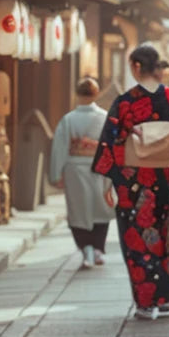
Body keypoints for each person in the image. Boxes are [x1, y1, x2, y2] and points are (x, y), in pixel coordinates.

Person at [93, 45, 169, 320]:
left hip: (134, 182)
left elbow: (112, 142)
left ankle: (145, 301)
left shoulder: (125, 102)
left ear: (137, 67)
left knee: (138, 240)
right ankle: (166, 298)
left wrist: (108, 182)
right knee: (165, 236)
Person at [50, 77, 115, 269]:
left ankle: (86, 248)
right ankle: (97, 250)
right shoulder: (104, 117)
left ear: (77, 95)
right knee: (100, 209)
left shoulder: (68, 119)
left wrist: (56, 174)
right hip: (99, 168)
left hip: (75, 168)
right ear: (96, 94)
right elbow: (111, 146)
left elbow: (60, 148)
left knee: (78, 211)